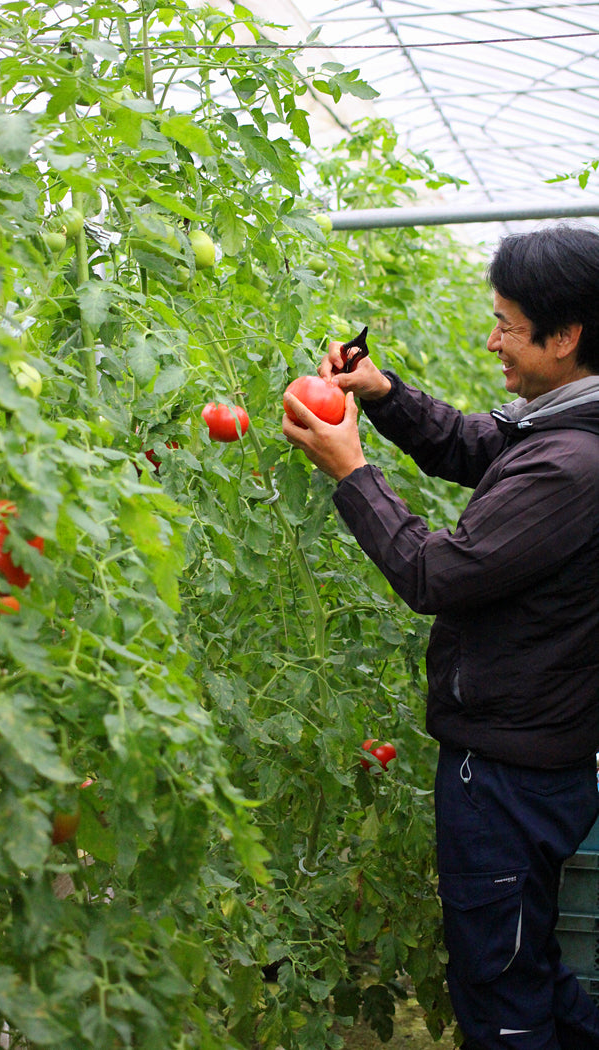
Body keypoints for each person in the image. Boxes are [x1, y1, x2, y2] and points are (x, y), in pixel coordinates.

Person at [282, 223, 599, 1050]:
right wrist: (383, 394)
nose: (492, 340)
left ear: (566, 337)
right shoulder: (566, 424)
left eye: (506, 324)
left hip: (510, 773)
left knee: (500, 989)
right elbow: (473, 443)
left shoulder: (572, 468)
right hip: (537, 750)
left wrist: (353, 472)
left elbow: (434, 575)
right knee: (527, 960)